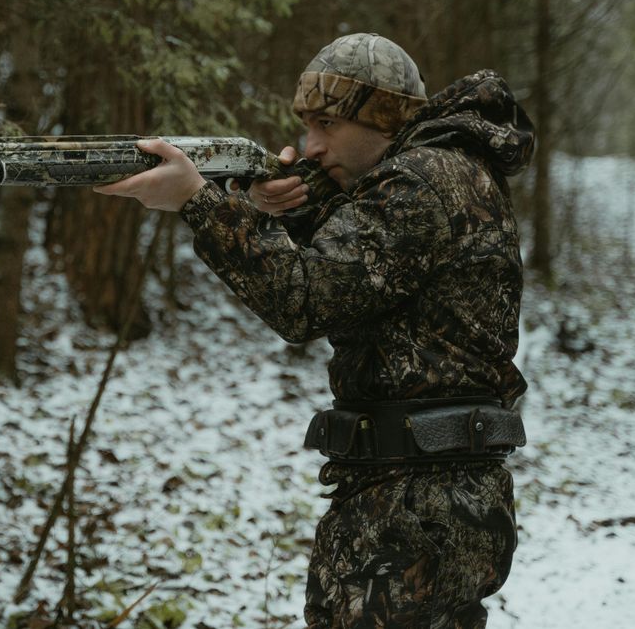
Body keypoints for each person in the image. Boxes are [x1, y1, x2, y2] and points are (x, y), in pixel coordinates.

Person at [95, 33, 534, 628]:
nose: (311, 144)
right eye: (306, 125)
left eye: (328, 123)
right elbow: (370, 271)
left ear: (380, 117)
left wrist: (200, 203)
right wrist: (285, 210)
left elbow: (306, 297)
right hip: (433, 493)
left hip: (413, 504)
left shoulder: (421, 181)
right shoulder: (444, 171)